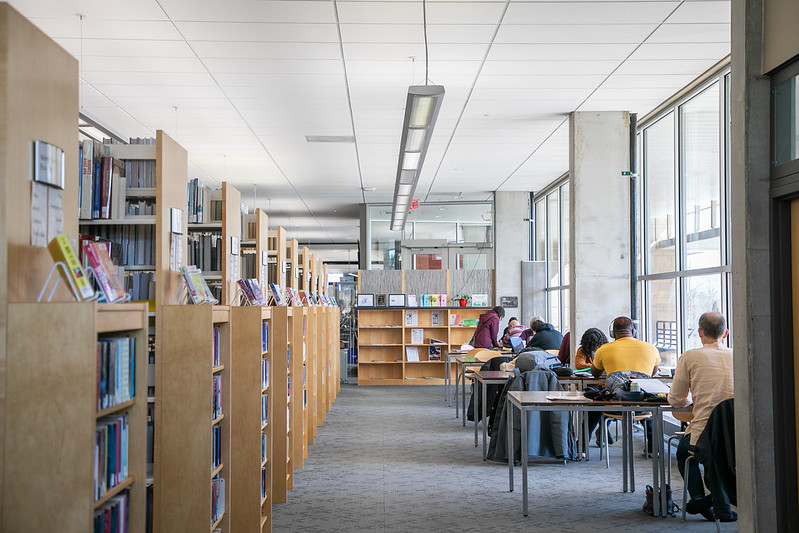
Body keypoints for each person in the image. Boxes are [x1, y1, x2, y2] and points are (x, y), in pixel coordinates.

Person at [668, 312, 735, 522]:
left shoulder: (690, 357)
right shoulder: (739, 354)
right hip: (739, 436)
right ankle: (716, 500)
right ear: (726, 333)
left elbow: (675, 400)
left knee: (682, 452)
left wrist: (689, 401)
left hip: (705, 438)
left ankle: (700, 499)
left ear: (699, 333)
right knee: (722, 455)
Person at [590, 316, 660, 448]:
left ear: (613, 333)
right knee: (650, 405)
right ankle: (653, 448)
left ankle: (582, 447)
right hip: (643, 406)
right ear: (633, 331)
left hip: (615, 406)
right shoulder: (650, 348)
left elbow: (595, 373)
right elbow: (653, 373)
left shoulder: (603, 349)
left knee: (593, 402)